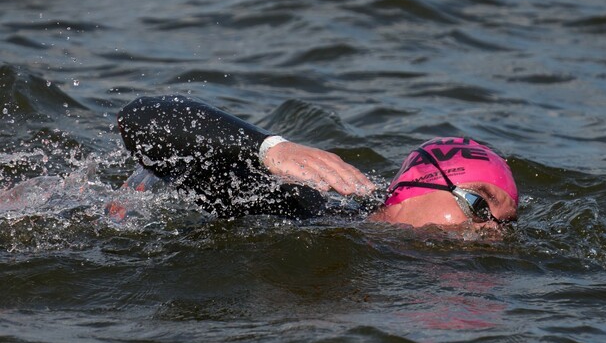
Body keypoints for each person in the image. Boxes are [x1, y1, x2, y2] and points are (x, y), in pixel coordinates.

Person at [116, 95, 518, 229]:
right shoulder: (306, 205)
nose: (493, 233)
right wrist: (273, 150)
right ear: (419, 187)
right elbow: (139, 121)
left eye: (506, 223)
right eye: (479, 206)